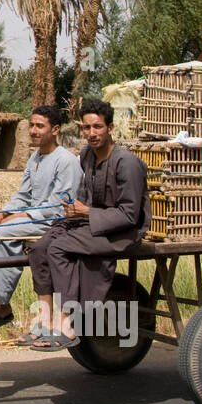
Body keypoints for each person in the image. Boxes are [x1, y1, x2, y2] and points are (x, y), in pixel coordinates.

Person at [25, 98, 151, 351]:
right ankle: (46, 317)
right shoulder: (86, 155)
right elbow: (85, 195)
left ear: (110, 128)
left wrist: (86, 212)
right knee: (40, 248)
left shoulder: (126, 163)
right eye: (86, 128)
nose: (91, 134)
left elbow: (129, 215)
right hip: (91, 223)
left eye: (98, 127)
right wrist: (73, 210)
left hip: (122, 231)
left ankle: (68, 320)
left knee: (59, 248)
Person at [0, 106, 81, 333]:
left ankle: (1, 302)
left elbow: (59, 205)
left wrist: (21, 215)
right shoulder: (35, 158)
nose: (33, 130)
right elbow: (23, 194)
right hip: (30, 217)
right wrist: (5, 211)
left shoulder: (66, 161)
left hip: (52, 221)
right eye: (32, 125)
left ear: (55, 129)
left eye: (40, 126)